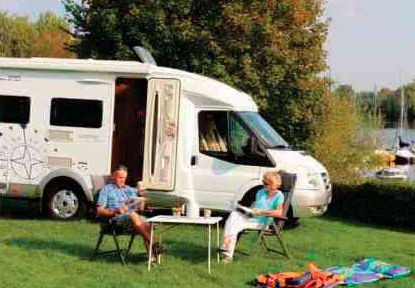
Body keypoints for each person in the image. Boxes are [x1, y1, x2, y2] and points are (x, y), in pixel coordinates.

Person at [220, 171, 284, 263]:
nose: (264, 185)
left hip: (263, 222)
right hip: (252, 218)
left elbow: (279, 212)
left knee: (235, 225)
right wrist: (248, 210)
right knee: (234, 215)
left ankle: (227, 251)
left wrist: (261, 211)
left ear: (275, 184)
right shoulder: (260, 192)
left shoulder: (279, 195)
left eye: (267, 183)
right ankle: (227, 246)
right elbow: (256, 206)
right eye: (264, 182)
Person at [96, 165, 157, 259]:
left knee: (149, 223)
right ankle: (154, 244)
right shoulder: (106, 189)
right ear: (113, 176)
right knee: (132, 215)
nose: (122, 180)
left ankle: (152, 256)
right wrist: (116, 210)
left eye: (124, 178)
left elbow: (139, 197)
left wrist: (140, 203)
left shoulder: (128, 189)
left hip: (132, 220)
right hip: (115, 220)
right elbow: (99, 211)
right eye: (120, 177)